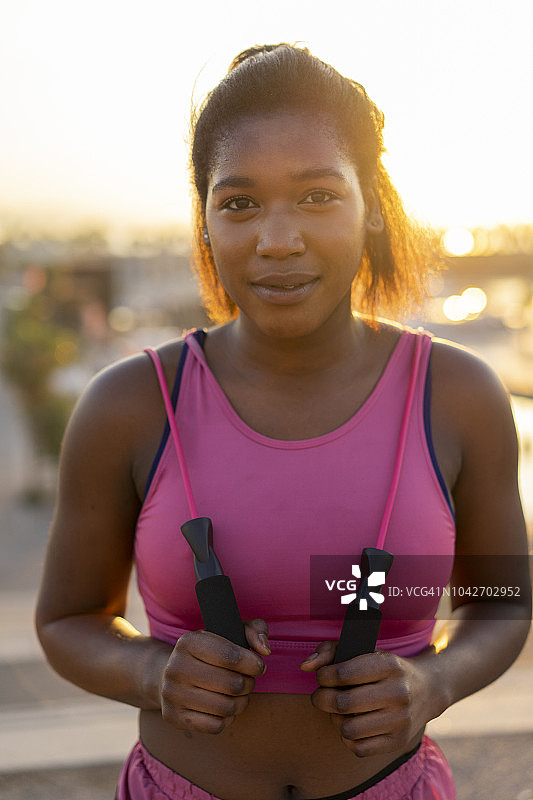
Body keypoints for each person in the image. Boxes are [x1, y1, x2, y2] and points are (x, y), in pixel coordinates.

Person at [36, 44, 531, 800]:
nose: (277, 240)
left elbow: (500, 604)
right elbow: (69, 618)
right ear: (204, 223)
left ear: (370, 208)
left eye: (316, 196)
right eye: (238, 203)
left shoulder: (456, 394)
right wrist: (152, 671)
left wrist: (431, 682)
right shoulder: (131, 404)